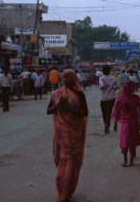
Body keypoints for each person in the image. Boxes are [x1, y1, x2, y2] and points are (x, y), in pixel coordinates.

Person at [47, 69, 88, 202]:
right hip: (62, 135)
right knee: (63, 162)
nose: (64, 80)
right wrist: (58, 106)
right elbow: (48, 111)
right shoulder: (57, 94)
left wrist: (69, 109)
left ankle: (68, 191)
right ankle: (62, 191)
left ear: (74, 79)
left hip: (75, 135)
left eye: (67, 77)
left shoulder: (79, 94)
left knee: (72, 163)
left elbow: (84, 112)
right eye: (63, 77)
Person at [112, 81, 140, 167]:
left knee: (132, 141)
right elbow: (117, 111)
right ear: (128, 88)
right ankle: (125, 159)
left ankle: (131, 159)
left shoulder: (136, 98)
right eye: (132, 87)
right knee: (125, 141)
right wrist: (115, 123)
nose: (134, 88)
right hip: (126, 122)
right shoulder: (122, 99)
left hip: (133, 122)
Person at [99, 65, 119, 134]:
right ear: (109, 71)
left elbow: (102, 86)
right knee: (109, 111)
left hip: (103, 98)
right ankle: (107, 123)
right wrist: (113, 88)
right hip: (111, 97)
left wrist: (101, 88)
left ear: (103, 71)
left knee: (104, 112)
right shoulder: (113, 78)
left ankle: (105, 123)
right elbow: (118, 86)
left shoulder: (102, 78)